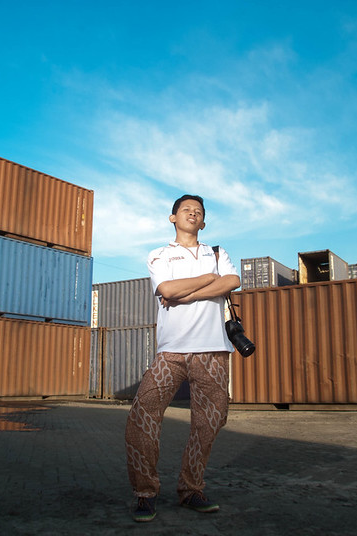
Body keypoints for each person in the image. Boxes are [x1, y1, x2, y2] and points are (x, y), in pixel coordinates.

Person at [125, 194, 241, 523]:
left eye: (199, 211)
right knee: (141, 417)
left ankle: (190, 490)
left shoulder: (216, 253)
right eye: (186, 209)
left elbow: (232, 281)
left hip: (213, 350)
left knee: (210, 422)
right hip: (171, 352)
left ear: (203, 222)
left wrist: (188, 293)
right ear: (173, 217)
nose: (193, 213)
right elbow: (168, 290)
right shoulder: (159, 254)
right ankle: (145, 493)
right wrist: (209, 279)